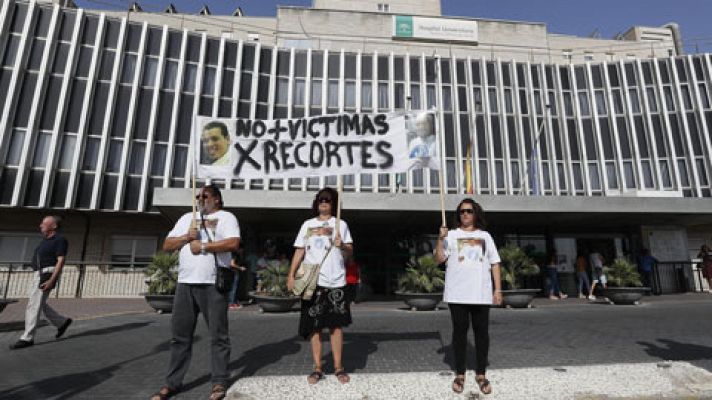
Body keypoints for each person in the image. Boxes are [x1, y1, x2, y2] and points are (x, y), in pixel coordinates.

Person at [150, 185, 240, 400]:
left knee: (218, 336)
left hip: (212, 284)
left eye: (205, 195)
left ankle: (219, 382)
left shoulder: (226, 217)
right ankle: (172, 383)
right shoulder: (186, 218)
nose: (200, 198)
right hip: (185, 284)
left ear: (217, 199)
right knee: (180, 337)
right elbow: (167, 244)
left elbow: (233, 243)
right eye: (198, 196)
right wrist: (186, 238)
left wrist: (204, 247)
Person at [287, 187, 354, 385]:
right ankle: (317, 367)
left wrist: (342, 245)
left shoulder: (341, 224)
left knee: (336, 326)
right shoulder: (307, 224)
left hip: (336, 281)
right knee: (314, 327)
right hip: (313, 283)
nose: (323, 203)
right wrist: (291, 275)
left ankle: (339, 367)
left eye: (328, 200)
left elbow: (350, 252)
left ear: (333, 204)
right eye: (320, 200)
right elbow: (300, 250)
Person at [435, 198, 502, 395]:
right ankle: (460, 374)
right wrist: (440, 239)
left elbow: (495, 263)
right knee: (459, 334)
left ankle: (481, 373)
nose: (465, 214)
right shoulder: (451, 235)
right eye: (462, 211)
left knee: (482, 334)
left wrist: (497, 290)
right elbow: (439, 259)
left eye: (469, 211)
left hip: (481, 293)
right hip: (458, 294)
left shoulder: (485, 236)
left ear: (475, 214)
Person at [9, 216, 73, 350]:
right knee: (38, 303)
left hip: (47, 273)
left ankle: (27, 337)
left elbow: (60, 261)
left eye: (44, 223)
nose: (40, 225)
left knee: (33, 305)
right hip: (39, 273)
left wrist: (52, 280)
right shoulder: (45, 241)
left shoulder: (60, 240)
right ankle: (62, 322)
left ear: (54, 226)